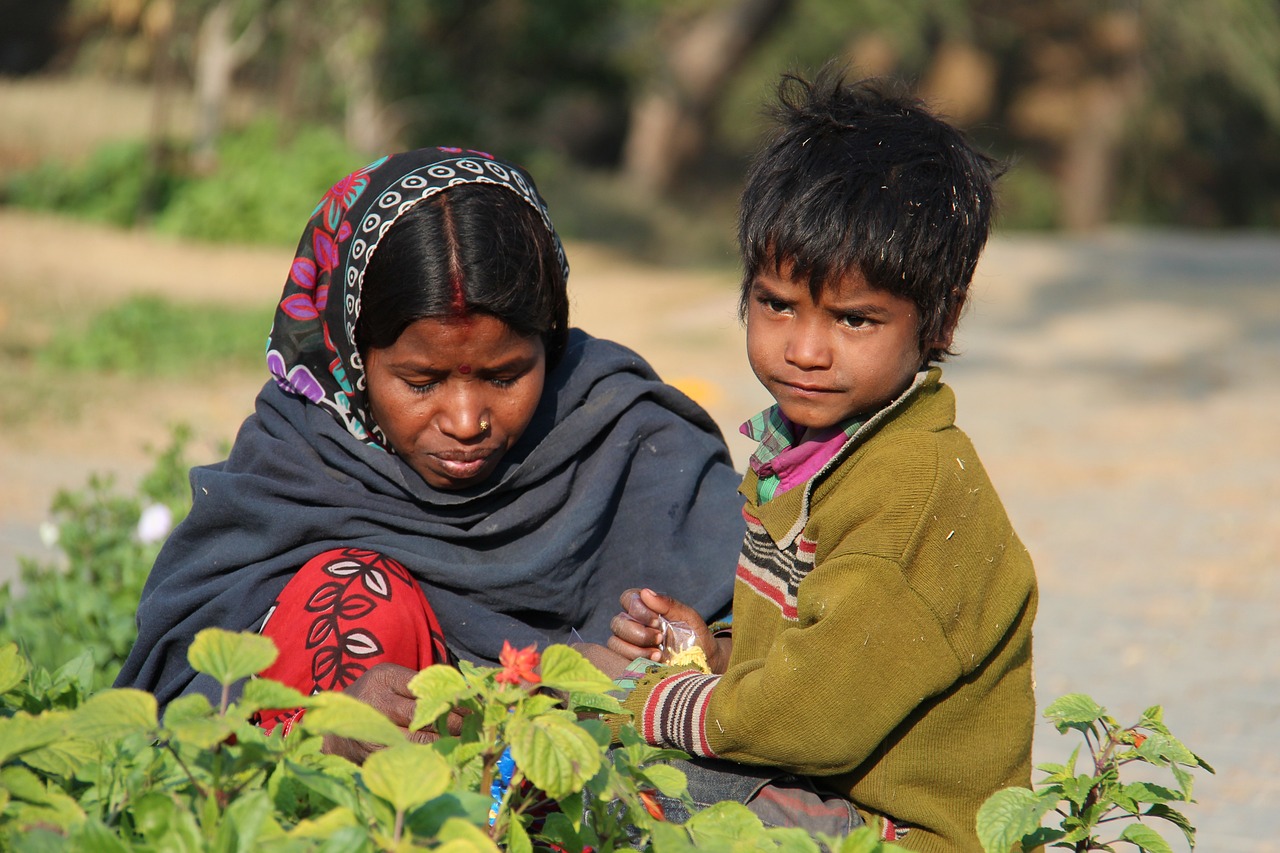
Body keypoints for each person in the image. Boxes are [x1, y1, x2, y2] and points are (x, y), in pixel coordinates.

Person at [115, 147, 745, 756]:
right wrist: (328, 730)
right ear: (353, 360)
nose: (467, 421)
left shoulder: (629, 433)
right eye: (421, 383)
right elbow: (188, 691)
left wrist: (697, 652)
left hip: (584, 784)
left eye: (505, 377)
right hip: (369, 804)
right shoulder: (299, 461)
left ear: (548, 342)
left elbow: (772, 643)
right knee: (352, 590)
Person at [577, 69, 1038, 851]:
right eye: (777, 304)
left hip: (905, 833)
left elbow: (814, 719)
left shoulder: (912, 486)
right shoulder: (812, 452)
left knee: (627, 774)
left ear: (941, 317)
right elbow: (810, 654)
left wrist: (657, 700)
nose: (805, 350)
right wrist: (714, 654)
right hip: (832, 790)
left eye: (855, 320)